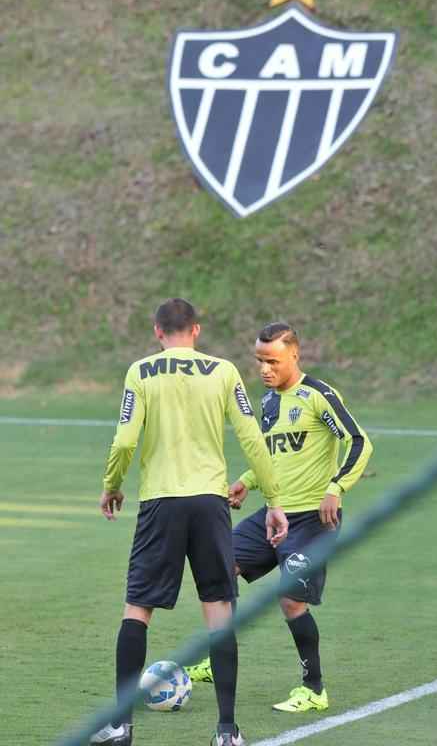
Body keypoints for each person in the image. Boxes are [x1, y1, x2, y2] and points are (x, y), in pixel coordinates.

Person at [89, 299, 288, 746]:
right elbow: (252, 437)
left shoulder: (140, 372)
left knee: (138, 608)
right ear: (196, 330)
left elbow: (124, 440)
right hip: (210, 502)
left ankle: (121, 726)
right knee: (219, 610)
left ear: (157, 331)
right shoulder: (223, 372)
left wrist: (112, 484)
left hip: (162, 502)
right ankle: (226, 731)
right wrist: (273, 499)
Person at [187, 322, 373, 713]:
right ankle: (218, 660)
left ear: (294, 355)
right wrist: (246, 481)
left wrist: (335, 488)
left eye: (272, 360)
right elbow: (273, 456)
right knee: (223, 567)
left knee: (291, 600)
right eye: (259, 361)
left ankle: (314, 689)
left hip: (313, 519)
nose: (264, 369)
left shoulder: (318, 396)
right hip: (274, 513)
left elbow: (358, 441)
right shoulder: (269, 403)